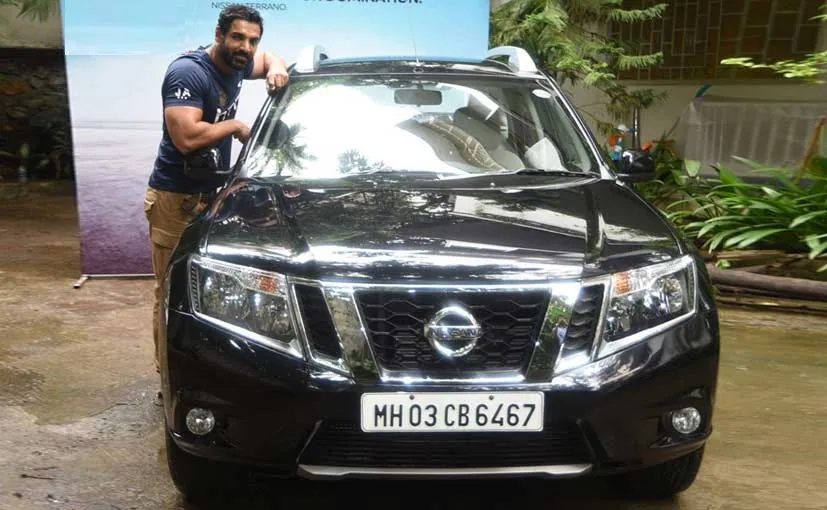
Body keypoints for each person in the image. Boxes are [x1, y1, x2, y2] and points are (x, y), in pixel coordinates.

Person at [143, 3, 289, 372]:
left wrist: (276, 66)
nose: (245, 47)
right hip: (176, 197)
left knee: (206, 292)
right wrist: (236, 127)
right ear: (219, 35)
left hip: (212, 195)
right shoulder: (189, 72)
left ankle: (205, 371)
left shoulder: (239, 64)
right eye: (237, 37)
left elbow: (268, 58)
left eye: (252, 40)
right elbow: (186, 138)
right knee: (170, 291)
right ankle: (170, 377)